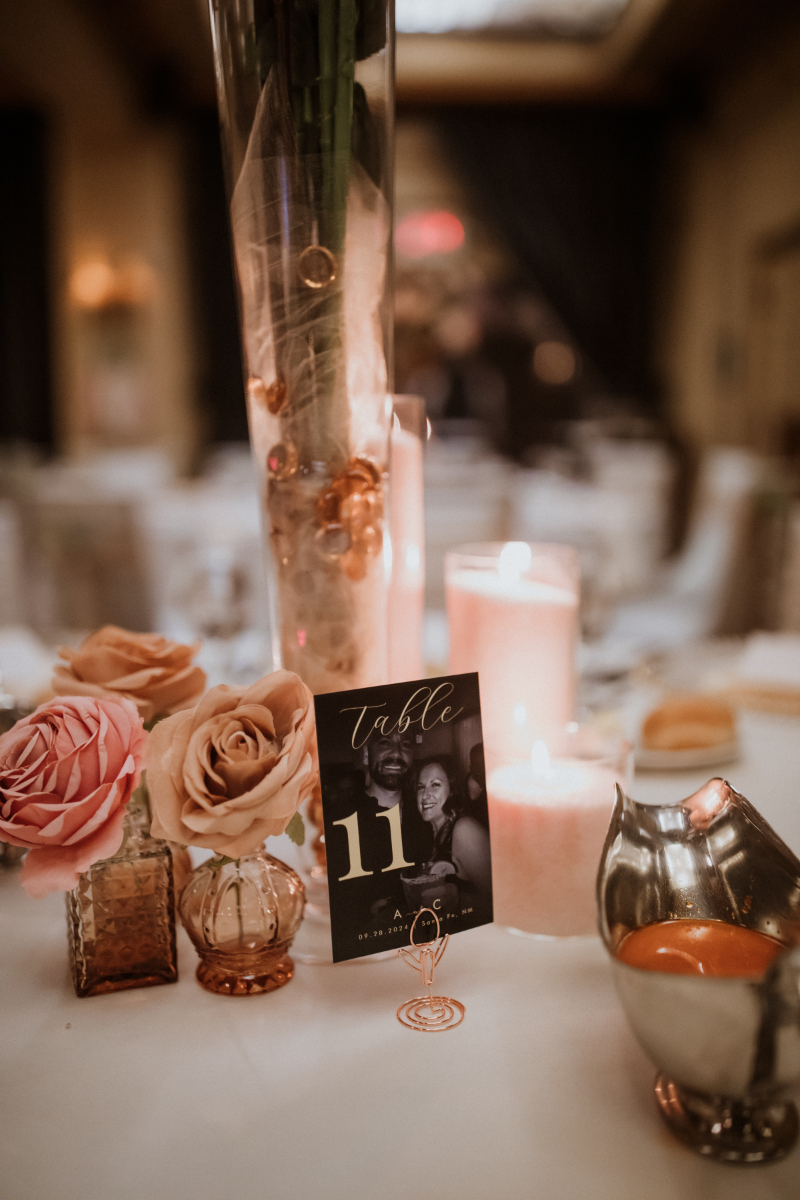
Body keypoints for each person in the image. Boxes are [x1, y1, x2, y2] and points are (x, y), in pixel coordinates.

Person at [414, 757, 492, 907]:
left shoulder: (465, 829)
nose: (424, 795)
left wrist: (459, 899)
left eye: (435, 785)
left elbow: (506, 903)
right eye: (420, 787)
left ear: (452, 790)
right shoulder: (432, 835)